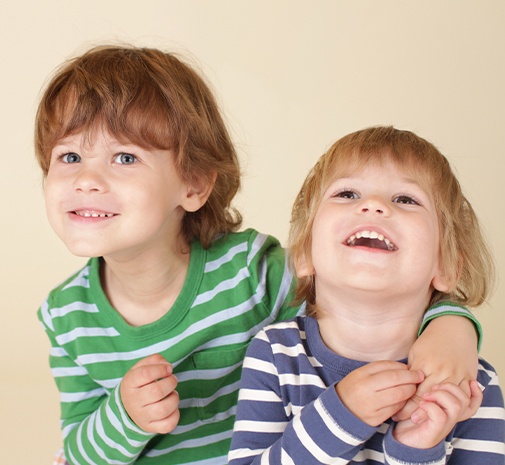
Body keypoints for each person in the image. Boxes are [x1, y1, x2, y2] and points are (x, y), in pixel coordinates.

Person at [35, 46, 483, 465]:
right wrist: (124, 417)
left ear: (193, 185)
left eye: (125, 158)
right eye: (69, 155)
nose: (86, 179)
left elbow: (359, 290)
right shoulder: (65, 315)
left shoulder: (249, 270)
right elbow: (76, 452)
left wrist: (451, 328)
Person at [228, 126, 505, 464]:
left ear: (446, 265)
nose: (373, 205)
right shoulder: (274, 354)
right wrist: (340, 415)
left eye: (405, 199)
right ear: (304, 254)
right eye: (347, 193)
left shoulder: (469, 383)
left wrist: (415, 450)